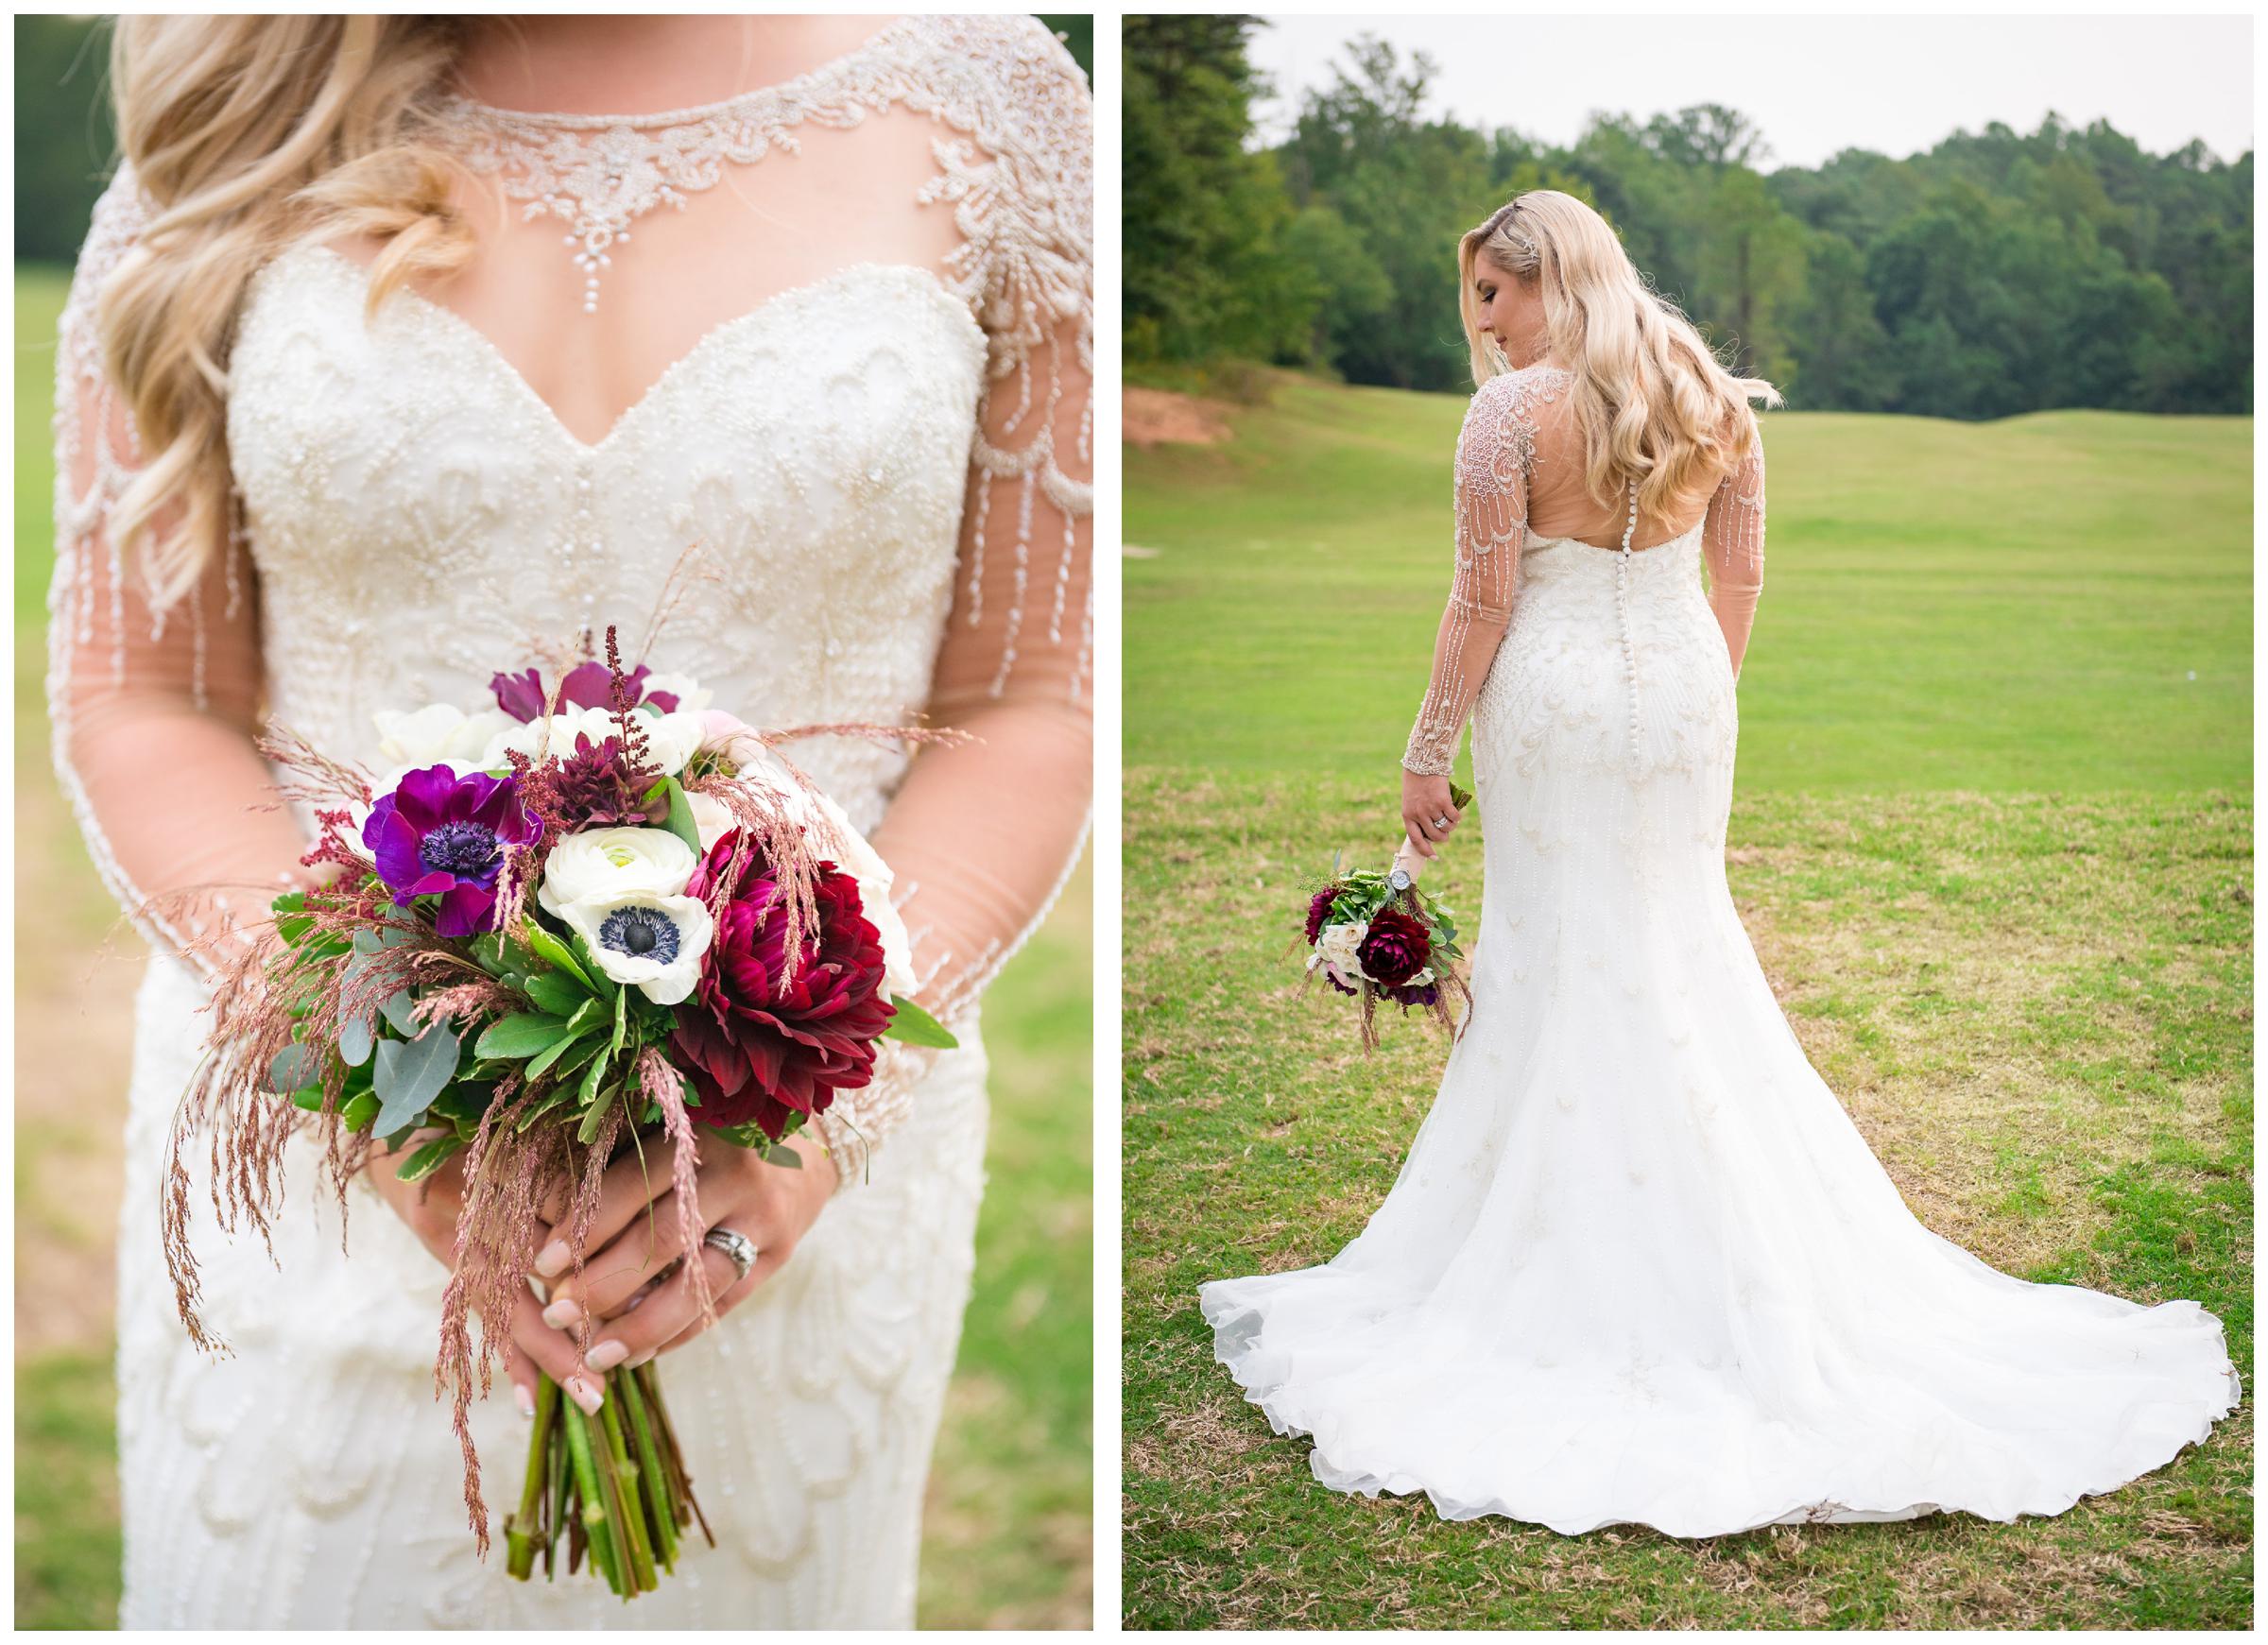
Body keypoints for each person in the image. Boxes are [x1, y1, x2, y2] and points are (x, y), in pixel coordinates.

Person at [48, 14, 1091, 1626]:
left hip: (772, 1184)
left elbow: (1032, 695)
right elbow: (144, 691)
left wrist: (824, 1117)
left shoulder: (993, 105)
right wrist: (371, 1076)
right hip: (328, 1180)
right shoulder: (238, 97)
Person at [1198, 191, 2237, 1537]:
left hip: (1557, 700)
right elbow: (1738, 580)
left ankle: (1582, 1266)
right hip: (1686, 698)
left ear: (1549, 278)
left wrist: (1424, 750)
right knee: (1675, 941)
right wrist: (1694, 692)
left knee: (1573, 952)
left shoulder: (1511, 417)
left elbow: (1482, 599)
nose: (1485, 324)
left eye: (1494, 297)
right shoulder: (1714, 396)